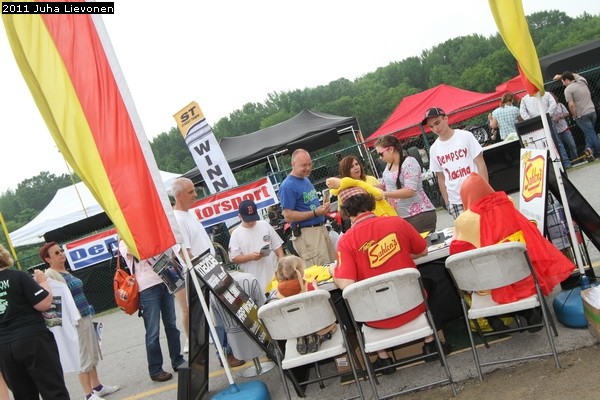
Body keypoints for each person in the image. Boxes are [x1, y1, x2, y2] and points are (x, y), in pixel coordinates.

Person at [332, 189, 450, 375]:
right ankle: (430, 342)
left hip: (375, 317)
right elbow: (422, 250)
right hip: (413, 307)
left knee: (358, 301)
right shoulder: (396, 222)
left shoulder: (346, 241)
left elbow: (346, 283)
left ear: (346, 211)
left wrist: (333, 271)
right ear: (370, 203)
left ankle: (384, 357)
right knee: (429, 283)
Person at [450, 173, 574, 308]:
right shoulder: (508, 201)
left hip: (491, 286)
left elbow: (456, 250)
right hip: (525, 277)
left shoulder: (464, 220)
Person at [40, 242, 120, 400]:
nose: (61, 254)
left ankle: (97, 387)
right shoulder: (50, 275)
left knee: (92, 351)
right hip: (74, 321)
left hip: (84, 316)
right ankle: (88, 394)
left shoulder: (65, 271)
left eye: (61, 250)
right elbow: (54, 302)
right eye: (56, 253)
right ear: (47, 259)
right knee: (82, 356)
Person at [0, 244, 70, 400]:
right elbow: (44, 304)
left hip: (4, 346)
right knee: (53, 389)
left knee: (23, 395)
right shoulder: (18, 276)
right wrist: (43, 282)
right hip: (33, 339)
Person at [119, 241, 185, 382]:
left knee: (171, 325)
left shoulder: (151, 234)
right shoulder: (125, 241)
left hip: (165, 280)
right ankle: (155, 370)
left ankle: (178, 360)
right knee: (153, 331)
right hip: (146, 288)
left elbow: (167, 250)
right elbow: (133, 252)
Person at [171, 177, 215, 354]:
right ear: (179, 195)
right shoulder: (177, 220)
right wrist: (203, 267)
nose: (195, 194)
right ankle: (196, 340)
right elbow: (184, 252)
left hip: (208, 267)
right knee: (196, 309)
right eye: (191, 192)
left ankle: (205, 337)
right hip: (199, 271)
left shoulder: (190, 213)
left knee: (207, 308)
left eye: (194, 190)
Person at [421, 107, 489, 219]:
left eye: (437, 123)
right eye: (431, 126)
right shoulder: (434, 149)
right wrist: (448, 203)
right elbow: (441, 178)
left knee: (486, 226)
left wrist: (485, 190)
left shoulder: (465, 136)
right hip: (455, 200)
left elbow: (480, 163)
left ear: (446, 119)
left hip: (476, 193)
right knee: (466, 230)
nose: (435, 128)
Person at [278, 149, 335, 266]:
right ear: (293, 164)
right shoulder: (287, 186)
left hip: (320, 228)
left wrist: (323, 208)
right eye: (304, 165)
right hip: (307, 233)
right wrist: (315, 213)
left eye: (310, 164)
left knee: (332, 265)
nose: (308, 168)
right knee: (321, 270)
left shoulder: (305, 179)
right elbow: (288, 216)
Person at [375, 135, 437, 233]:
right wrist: (365, 188)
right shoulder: (389, 166)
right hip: (402, 217)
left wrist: (384, 194)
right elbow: (384, 184)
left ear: (391, 149)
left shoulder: (409, 162)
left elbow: (410, 191)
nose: (380, 158)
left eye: (381, 154)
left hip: (419, 216)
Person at [275, 255, 336, 355]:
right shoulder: (308, 286)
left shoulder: (279, 294)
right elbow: (320, 297)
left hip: (296, 328)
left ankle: (303, 336)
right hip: (316, 325)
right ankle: (321, 336)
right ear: (300, 271)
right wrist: (315, 284)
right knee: (334, 325)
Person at [228, 199, 285, 294]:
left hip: (274, 275)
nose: (251, 222)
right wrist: (250, 257)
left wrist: (282, 260)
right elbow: (234, 258)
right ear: (240, 217)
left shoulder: (265, 225)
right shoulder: (236, 233)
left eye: (253, 219)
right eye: (248, 220)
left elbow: (277, 245)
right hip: (255, 279)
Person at [325, 155, 397, 218]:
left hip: (386, 214)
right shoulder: (344, 189)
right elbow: (343, 214)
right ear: (346, 171)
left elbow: (385, 198)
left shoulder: (371, 179)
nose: (356, 167)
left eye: (357, 164)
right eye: (351, 167)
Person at [557, 71, 600, 159]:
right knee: (589, 133)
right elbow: (576, 75)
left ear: (567, 80)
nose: (563, 84)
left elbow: (571, 105)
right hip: (592, 111)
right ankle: (589, 151)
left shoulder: (568, 90)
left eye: (563, 81)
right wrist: (561, 76)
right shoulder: (582, 81)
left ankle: (598, 151)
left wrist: (574, 115)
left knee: (591, 133)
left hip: (581, 115)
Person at [550, 92, 578, 166]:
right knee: (560, 147)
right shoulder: (548, 109)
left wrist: (561, 116)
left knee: (572, 145)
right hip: (555, 131)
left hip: (564, 128)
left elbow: (567, 113)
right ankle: (566, 162)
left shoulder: (560, 105)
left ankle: (575, 160)